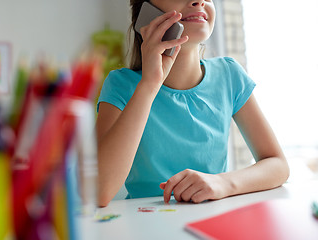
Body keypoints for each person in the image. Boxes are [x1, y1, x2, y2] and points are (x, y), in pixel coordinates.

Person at [96, 0, 289, 207]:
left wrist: (222, 183)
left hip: (211, 220)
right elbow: (100, 191)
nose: (199, 1)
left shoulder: (229, 75)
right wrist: (149, 85)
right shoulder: (121, 85)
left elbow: (278, 165)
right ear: (146, 13)